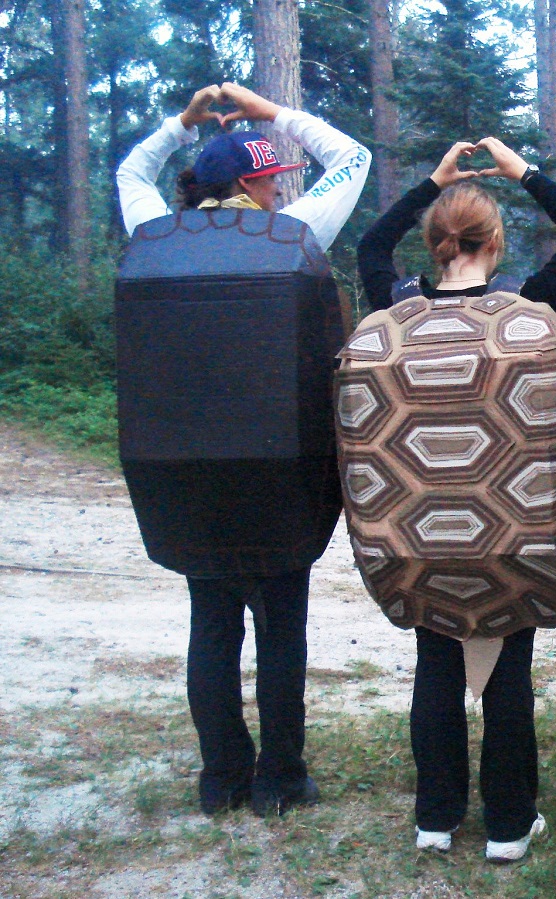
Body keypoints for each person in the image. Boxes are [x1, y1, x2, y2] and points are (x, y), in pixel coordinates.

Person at [116, 83, 371, 817]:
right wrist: (273, 111)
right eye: (270, 176)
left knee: (212, 623)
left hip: (180, 470)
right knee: (281, 628)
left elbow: (131, 175)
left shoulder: (152, 235)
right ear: (257, 182)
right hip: (279, 470)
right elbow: (350, 159)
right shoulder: (293, 233)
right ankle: (280, 781)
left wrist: (178, 124)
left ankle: (220, 777)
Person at [356, 138, 556, 861]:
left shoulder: (397, 310)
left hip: (417, 531)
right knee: (507, 669)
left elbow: (371, 243)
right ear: (494, 243)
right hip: (513, 530)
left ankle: (435, 817)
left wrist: (430, 180)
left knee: (437, 662)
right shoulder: (526, 309)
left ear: (433, 246)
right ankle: (507, 824)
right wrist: (524, 170)